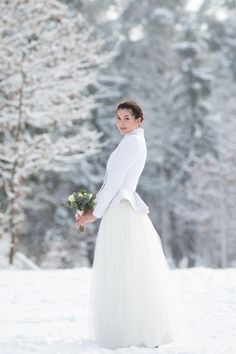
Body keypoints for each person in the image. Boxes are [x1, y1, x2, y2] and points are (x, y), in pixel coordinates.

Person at [76, 100, 186, 350]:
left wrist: (95, 213)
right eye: (118, 118)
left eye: (127, 118)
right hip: (120, 209)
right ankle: (137, 328)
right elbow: (112, 183)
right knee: (130, 271)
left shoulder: (132, 143)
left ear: (139, 120)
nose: (121, 123)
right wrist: (93, 205)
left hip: (120, 212)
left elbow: (114, 184)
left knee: (123, 271)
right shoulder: (132, 142)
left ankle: (131, 332)